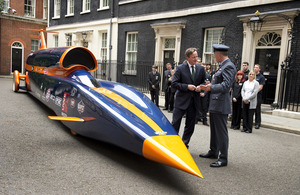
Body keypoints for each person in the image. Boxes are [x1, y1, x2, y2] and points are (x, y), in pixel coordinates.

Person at [199, 44, 237, 168]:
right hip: (216, 102)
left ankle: (223, 158)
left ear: (219, 54)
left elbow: (226, 86)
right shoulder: (223, 66)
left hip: (221, 104)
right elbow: (220, 82)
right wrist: (211, 83)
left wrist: (211, 87)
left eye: (214, 54)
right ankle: (213, 151)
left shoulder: (229, 66)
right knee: (214, 130)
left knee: (221, 132)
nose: (214, 56)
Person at [171, 48, 206, 149]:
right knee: (175, 123)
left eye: (197, 56)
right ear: (187, 57)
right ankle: (173, 144)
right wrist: (187, 87)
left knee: (190, 125)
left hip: (194, 101)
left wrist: (201, 87)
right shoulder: (180, 68)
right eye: (193, 57)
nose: (196, 59)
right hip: (181, 101)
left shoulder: (200, 69)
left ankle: (184, 143)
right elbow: (174, 83)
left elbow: (204, 82)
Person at [254, 64, 265, 129]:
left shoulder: (261, 77)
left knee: (257, 109)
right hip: (251, 95)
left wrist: (254, 92)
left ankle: (257, 123)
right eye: (254, 67)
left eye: (256, 67)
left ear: (259, 69)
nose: (255, 68)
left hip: (257, 95)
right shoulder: (252, 75)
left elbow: (260, 87)